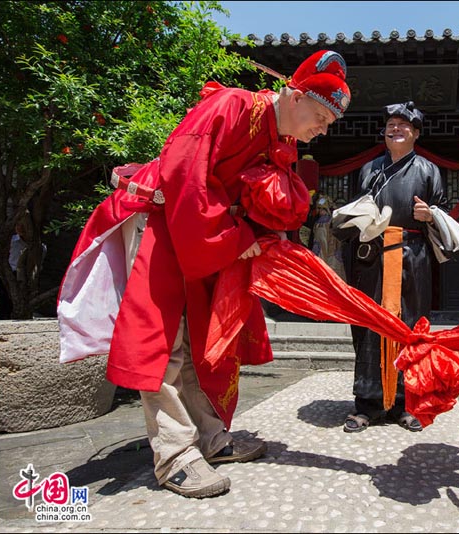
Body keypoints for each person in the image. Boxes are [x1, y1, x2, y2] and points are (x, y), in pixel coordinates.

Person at [57, 50, 351, 498]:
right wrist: (235, 239)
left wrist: (251, 235)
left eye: (329, 122)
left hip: (210, 235)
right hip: (165, 220)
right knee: (166, 339)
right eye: (320, 116)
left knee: (202, 337)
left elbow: (271, 203)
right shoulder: (230, 106)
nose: (323, 129)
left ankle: (211, 440)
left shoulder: (282, 142)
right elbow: (184, 179)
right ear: (293, 96)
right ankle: (175, 457)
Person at [333, 101, 459, 433]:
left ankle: (407, 402)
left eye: (404, 125)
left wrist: (430, 215)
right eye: (391, 124)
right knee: (369, 324)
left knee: (409, 328)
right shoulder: (368, 169)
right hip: (371, 255)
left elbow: (443, 213)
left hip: (412, 254)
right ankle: (367, 403)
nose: (396, 129)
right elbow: (353, 209)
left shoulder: (429, 169)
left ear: (416, 134)